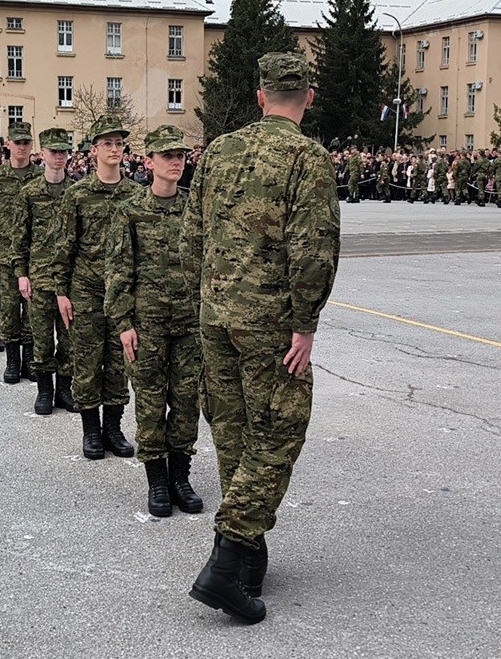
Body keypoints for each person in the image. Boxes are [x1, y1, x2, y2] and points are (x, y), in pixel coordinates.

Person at [181, 52, 341, 624]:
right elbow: (313, 249)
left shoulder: (219, 151)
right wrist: (305, 323)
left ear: (259, 96)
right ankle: (226, 564)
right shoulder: (307, 157)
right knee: (276, 434)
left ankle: (249, 555)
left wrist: (208, 300)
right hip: (269, 323)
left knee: (233, 434)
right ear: (309, 98)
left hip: (216, 316)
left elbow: (190, 237)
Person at [105, 125, 204, 519]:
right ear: (149, 162)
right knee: (149, 401)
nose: (176, 162)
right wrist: (123, 323)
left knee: (186, 401)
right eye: (167, 156)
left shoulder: (194, 208)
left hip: (190, 323)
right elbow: (118, 270)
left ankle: (180, 477)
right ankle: (157, 481)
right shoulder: (130, 211)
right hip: (146, 323)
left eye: (180, 155)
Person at [52, 115, 141, 460]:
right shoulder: (77, 195)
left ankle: (113, 429)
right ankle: (91, 430)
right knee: (87, 361)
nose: (115, 149)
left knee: (119, 362)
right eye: (107, 143)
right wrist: (61, 292)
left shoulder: (135, 195)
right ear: (94, 150)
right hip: (86, 290)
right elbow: (64, 246)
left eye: (119, 143)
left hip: (122, 295)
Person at [10, 128, 77, 414]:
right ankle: (45, 390)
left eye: (63, 151)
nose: (59, 156)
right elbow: (18, 237)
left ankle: (64, 389)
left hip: (70, 280)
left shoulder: (76, 193)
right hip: (38, 277)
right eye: (54, 151)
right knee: (42, 338)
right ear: (43, 155)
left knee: (69, 339)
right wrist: (21, 274)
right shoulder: (29, 193)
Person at [0, 121, 43, 382]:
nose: (22, 147)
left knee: (32, 311)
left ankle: (29, 360)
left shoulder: (40, 177)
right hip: (5, 256)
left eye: (26, 142)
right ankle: (12, 361)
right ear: (8, 144)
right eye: (17, 142)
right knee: (8, 309)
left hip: (35, 257)